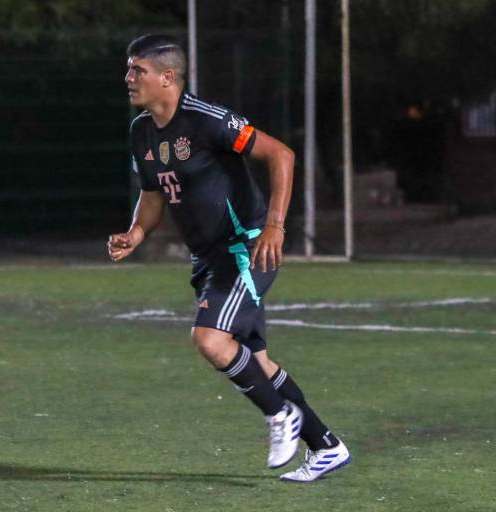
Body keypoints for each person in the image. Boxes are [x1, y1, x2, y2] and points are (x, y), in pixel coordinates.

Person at [107, 34, 350, 482]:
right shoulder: (141, 130)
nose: (127, 78)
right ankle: (326, 447)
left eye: (136, 69)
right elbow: (153, 193)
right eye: (128, 68)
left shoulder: (207, 120)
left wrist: (275, 225)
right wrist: (137, 231)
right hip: (207, 257)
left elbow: (281, 154)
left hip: (247, 247)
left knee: (211, 340)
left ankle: (280, 417)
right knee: (256, 363)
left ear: (167, 77)